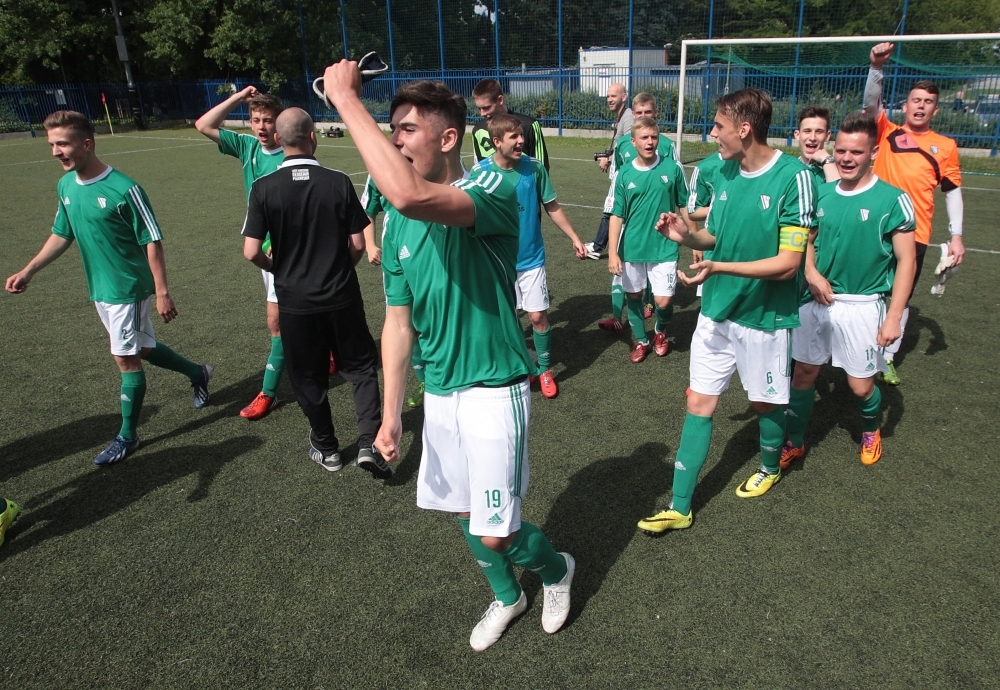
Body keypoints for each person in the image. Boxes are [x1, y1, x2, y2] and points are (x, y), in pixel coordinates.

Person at [321, 66, 574, 651]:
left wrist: (343, 99)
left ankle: (557, 569)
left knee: (495, 533)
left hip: (494, 387)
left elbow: (406, 190)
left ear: (449, 137)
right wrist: (388, 417)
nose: (396, 141)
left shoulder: (496, 190)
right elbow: (398, 324)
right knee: (464, 518)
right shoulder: (400, 228)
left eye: (406, 129)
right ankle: (510, 598)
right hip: (439, 393)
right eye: (392, 130)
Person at [636, 88, 817, 534]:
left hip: (763, 319)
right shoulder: (725, 173)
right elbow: (713, 236)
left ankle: (772, 465)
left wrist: (719, 266)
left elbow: (788, 263)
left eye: (718, 125)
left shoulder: (794, 177)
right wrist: (686, 237)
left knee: (763, 403)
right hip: (716, 314)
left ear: (744, 128)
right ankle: (680, 506)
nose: (712, 133)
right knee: (698, 402)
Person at [6, 111, 212, 467]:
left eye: (63, 144)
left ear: (86, 144)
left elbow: (153, 240)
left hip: (127, 288)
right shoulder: (66, 185)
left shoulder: (124, 189)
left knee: (125, 358)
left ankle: (127, 436)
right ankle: (198, 373)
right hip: (100, 288)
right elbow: (62, 233)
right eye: (52, 144)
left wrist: (162, 291)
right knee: (142, 347)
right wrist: (29, 270)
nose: (56, 151)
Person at [241, 108, 389, 480]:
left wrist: (278, 268)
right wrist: (343, 267)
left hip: (295, 301)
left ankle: (327, 448)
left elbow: (250, 251)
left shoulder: (263, 187)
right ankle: (369, 442)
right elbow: (358, 242)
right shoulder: (338, 181)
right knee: (360, 369)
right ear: (313, 137)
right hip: (342, 295)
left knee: (308, 378)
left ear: (277, 139)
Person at [782, 112, 916, 469]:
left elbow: (907, 262)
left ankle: (871, 430)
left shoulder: (892, 200)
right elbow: (804, 242)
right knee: (803, 374)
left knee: (860, 387)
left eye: (855, 152)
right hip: (817, 300)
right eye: (840, 150)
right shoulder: (821, 194)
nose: (846, 158)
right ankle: (794, 441)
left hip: (862, 305)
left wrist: (893, 318)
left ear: (873, 152)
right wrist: (810, 272)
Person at [195, 86, 309, 420]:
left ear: (280, 124)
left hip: (288, 249)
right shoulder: (246, 147)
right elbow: (204, 125)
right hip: (260, 246)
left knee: (276, 322)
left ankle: (268, 393)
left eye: (268, 120)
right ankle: (327, 345)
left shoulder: (293, 154)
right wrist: (238, 97)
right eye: (255, 119)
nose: (261, 127)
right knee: (296, 309)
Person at [864, 42, 965, 385]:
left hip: (916, 233)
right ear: (905, 105)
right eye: (916, 100)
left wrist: (956, 235)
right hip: (873, 226)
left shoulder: (946, 147)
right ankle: (853, 346)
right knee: (863, 289)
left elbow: (952, 191)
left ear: (935, 110)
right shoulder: (887, 132)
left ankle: (886, 358)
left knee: (901, 295)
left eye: (928, 102)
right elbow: (869, 103)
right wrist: (876, 68)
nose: (921, 107)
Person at [471, 113, 588, 398]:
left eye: (522, 135)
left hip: (531, 257)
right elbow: (470, 216)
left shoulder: (534, 168)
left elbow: (552, 206)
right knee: (505, 321)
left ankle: (544, 369)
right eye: (514, 137)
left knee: (537, 317)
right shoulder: (480, 172)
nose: (522, 140)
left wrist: (574, 238)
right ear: (496, 141)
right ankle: (514, 366)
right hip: (497, 261)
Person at [606, 117, 692, 363]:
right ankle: (641, 341)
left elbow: (684, 204)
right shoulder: (624, 174)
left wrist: (693, 238)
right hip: (632, 247)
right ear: (633, 142)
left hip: (664, 247)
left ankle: (660, 333)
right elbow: (616, 215)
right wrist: (613, 252)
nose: (650, 142)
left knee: (663, 301)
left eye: (654, 137)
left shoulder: (673, 169)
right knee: (633, 296)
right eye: (644, 137)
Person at [598, 92, 679, 333]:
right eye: (639, 113)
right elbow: (617, 180)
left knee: (658, 288)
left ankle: (652, 303)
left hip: (658, 223)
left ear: (655, 115)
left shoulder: (667, 147)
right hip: (628, 216)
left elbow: (674, 186)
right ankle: (620, 318)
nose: (643, 117)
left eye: (648, 113)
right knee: (623, 272)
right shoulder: (623, 144)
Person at [584, 82, 634, 260]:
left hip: (626, 174)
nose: (610, 99)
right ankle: (599, 245)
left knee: (611, 209)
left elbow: (630, 148)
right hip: (621, 172)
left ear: (624, 97)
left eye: (614, 96)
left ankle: (597, 248)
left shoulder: (628, 118)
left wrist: (609, 159)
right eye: (608, 96)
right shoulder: (622, 117)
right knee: (614, 210)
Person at [471, 78, 549, 170]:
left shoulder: (529, 125)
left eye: (486, 108)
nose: (482, 113)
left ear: (500, 100)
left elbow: (541, 168)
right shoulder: (478, 130)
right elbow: (479, 167)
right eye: (479, 108)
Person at [794, 105, 840, 184]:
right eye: (807, 131)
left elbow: (836, 194)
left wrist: (827, 160)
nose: (812, 138)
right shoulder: (788, 169)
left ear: (827, 136)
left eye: (819, 131)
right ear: (797, 135)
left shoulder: (838, 171)